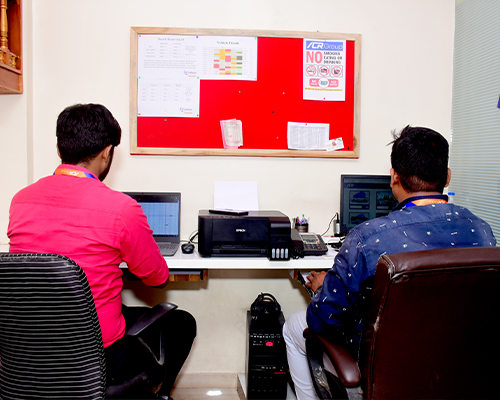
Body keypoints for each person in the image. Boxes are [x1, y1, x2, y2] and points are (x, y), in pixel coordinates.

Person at [283, 125, 496, 400]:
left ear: (394, 176)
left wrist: (323, 289)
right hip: (455, 372)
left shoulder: (367, 238)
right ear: (447, 176)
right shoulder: (482, 231)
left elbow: (324, 321)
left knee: (294, 326)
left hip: (377, 371)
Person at [7, 103, 196, 399]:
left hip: (30, 349)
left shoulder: (21, 200)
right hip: (97, 353)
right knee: (182, 322)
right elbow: (156, 277)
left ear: (59, 149)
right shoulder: (120, 208)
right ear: (107, 152)